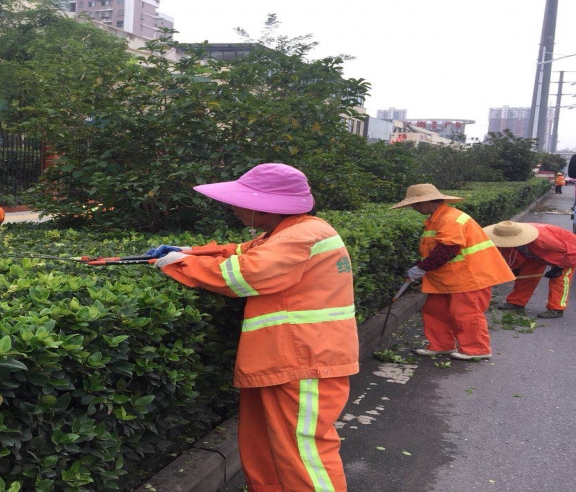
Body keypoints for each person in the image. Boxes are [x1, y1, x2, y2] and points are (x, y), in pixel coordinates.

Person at [147, 163, 357, 492]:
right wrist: (189, 252)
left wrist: (183, 264)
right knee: (264, 446)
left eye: (240, 200)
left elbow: (246, 273)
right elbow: (245, 251)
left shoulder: (301, 235)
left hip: (304, 361)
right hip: (285, 359)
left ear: (266, 205)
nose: (233, 207)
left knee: (302, 453)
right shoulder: (289, 231)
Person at [390, 184, 513, 361]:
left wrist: (421, 268)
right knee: (435, 310)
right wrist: (420, 266)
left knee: (465, 313)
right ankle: (441, 345)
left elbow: (447, 250)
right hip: (449, 276)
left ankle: (477, 349)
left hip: (470, 276)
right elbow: (435, 251)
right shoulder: (438, 218)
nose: (413, 208)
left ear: (427, 202)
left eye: (415, 204)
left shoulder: (450, 219)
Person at [483, 220, 576, 318]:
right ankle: (516, 302)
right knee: (525, 276)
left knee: (559, 280)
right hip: (536, 253)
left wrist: (559, 268)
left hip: (566, 254)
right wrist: (516, 268)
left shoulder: (543, 240)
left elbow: (573, 251)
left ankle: (556, 309)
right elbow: (513, 255)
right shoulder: (509, 236)